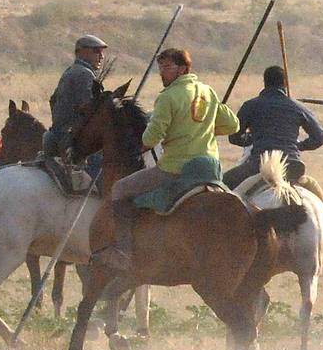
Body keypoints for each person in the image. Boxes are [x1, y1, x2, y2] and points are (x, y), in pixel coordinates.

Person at [84, 48, 239, 269]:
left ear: (183, 69)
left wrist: (141, 146)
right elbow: (233, 125)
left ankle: (124, 252)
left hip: (176, 168)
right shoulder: (208, 91)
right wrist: (202, 129)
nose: (162, 73)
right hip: (210, 167)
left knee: (120, 189)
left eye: (167, 67)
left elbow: (152, 137)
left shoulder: (168, 97)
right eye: (161, 67)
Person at [224, 65, 323, 188]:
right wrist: (299, 145)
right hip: (292, 165)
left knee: (224, 183)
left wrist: (252, 139)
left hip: (260, 165)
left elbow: (234, 136)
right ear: (285, 83)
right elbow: (319, 137)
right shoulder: (298, 107)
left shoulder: (250, 106)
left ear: (264, 82)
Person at [44, 34, 109, 160]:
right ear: (82, 52)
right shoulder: (84, 74)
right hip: (74, 140)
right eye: (96, 51)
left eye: (102, 52)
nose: (101, 56)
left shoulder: (71, 71)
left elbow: (53, 100)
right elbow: (88, 107)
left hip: (61, 134)